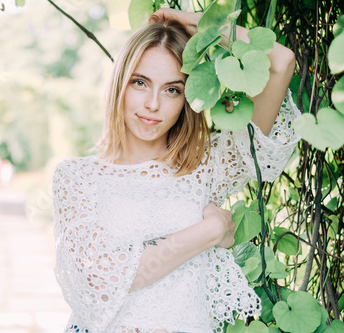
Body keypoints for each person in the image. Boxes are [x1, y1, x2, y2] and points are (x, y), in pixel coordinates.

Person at [52, 8, 299, 333]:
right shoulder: (77, 177)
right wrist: (210, 231)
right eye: (140, 83)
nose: (153, 103)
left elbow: (281, 62)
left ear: (188, 97)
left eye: (172, 89)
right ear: (120, 83)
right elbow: (103, 278)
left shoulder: (208, 166)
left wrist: (202, 25)